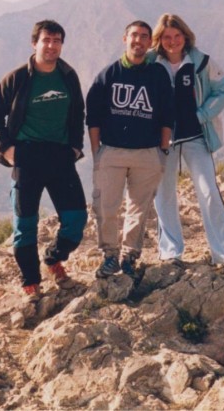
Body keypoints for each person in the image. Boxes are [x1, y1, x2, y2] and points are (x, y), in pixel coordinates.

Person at [0, 19, 88, 299]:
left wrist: (76, 147)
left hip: (60, 156)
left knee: (77, 219)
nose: (52, 46)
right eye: (46, 40)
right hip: (27, 156)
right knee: (25, 224)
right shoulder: (18, 78)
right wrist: (7, 149)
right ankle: (31, 282)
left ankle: (53, 258)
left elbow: (78, 112)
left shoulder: (68, 75)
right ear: (35, 43)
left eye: (57, 41)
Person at [150, 13, 224, 279]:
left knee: (208, 191)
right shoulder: (151, 63)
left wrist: (202, 114)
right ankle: (170, 254)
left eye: (177, 36)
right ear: (160, 39)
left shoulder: (201, 62)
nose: (172, 41)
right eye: (167, 37)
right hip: (163, 141)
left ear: (185, 36)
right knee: (163, 194)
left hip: (195, 137)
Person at [86, 20, 174, 278]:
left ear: (150, 43)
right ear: (124, 39)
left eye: (144, 37)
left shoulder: (158, 75)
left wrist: (163, 151)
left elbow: (168, 115)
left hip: (148, 153)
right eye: (134, 35)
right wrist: (97, 154)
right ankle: (110, 255)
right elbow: (93, 118)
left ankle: (129, 257)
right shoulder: (108, 74)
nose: (138, 41)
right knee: (106, 207)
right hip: (111, 152)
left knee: (139, 209)